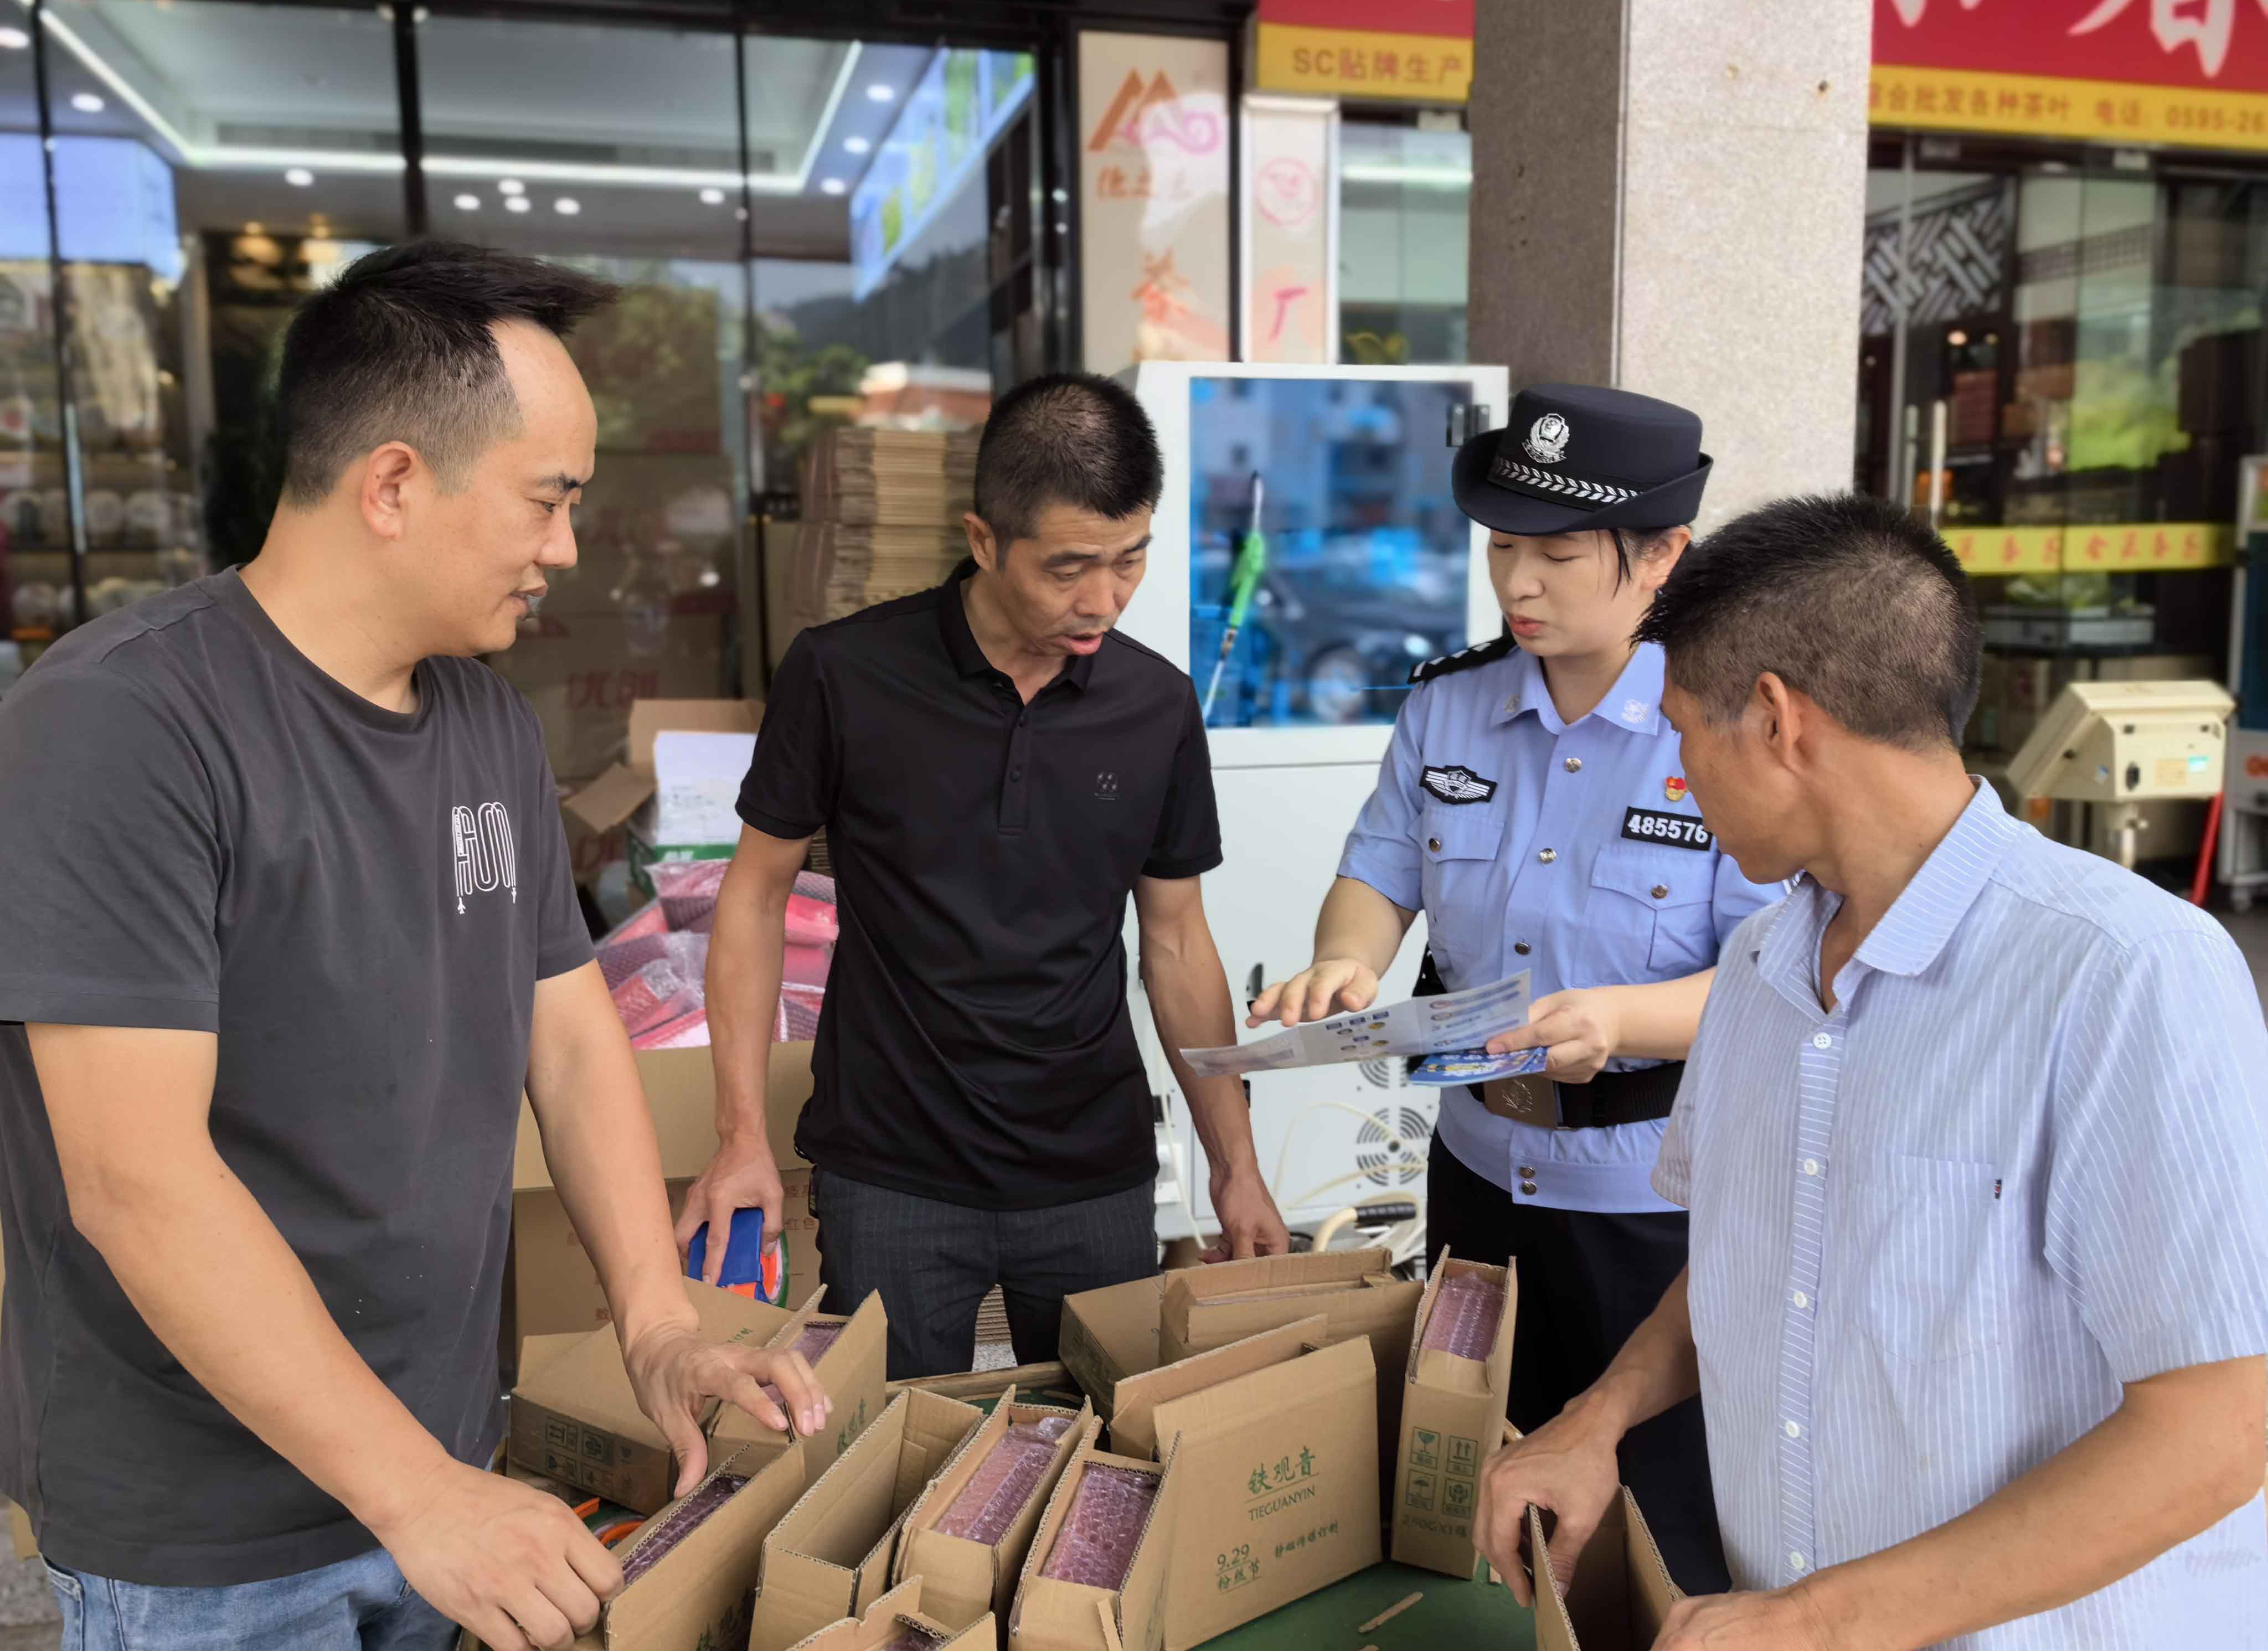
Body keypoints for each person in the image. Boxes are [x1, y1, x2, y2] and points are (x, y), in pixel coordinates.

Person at [0, 243, 829, 1651]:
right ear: (393, 484)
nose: (565, 547)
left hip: (446, 1467)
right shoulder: (121, 726)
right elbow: (136, 1182)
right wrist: (419, 1496)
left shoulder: (486, 726)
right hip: (213, 1540)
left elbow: (567, 1038)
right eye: (547, 499)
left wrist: (654, 1325)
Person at [1476, 493, 2268, 1649]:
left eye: (1686, 734)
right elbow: (1749, 1264)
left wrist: (1814, 1623)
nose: (1680, 781)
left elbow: (2216, 1427)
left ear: (1776, 722)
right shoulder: (1757, 966)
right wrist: (1594, 1421)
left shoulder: (2123, 973)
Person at [1248, 383, 1777, 1590]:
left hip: (1650, 1206)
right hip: (1480, 1176)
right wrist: (1346, 956)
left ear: (1660, 556)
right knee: (1488, 1481)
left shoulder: (1726, 732)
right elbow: (1378, 866)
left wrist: (1620, 1020)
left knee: (1658, 1521)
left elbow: (1773, 981)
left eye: (1554, 555)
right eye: (1500, 550)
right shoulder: (1449, 706)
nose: (1515, 585)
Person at [677, 372, 1288, 1379]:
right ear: (982, 540)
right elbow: (753, 895)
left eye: (1130, 558)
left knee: (1106, 1457)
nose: (1103, 600)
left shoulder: (1158, 707)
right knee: (901, 1465)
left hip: (1092, 1165)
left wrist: (1238, 1165)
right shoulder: (843, 675)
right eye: (1067, 568)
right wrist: (742, 1135)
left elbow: (1176, 940)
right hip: (893, 1168)